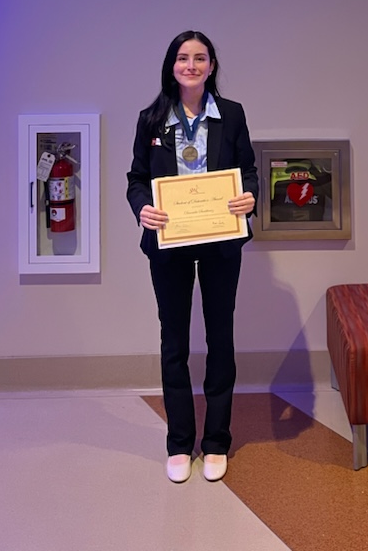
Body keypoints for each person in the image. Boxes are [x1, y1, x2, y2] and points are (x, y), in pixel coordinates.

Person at [126, 30, 258, 484]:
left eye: (201, 58)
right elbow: (136, 179)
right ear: (172, 65)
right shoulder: (151, 118)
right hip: (169, 242)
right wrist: (142, 207)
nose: (192, 65)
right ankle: (180, 443)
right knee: (174, 343)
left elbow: (250, 173)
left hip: (220, 239)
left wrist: (250, 198)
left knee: (221, 339)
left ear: (212, 66)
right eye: (184, 58)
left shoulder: (233, 115)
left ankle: (217, 441)